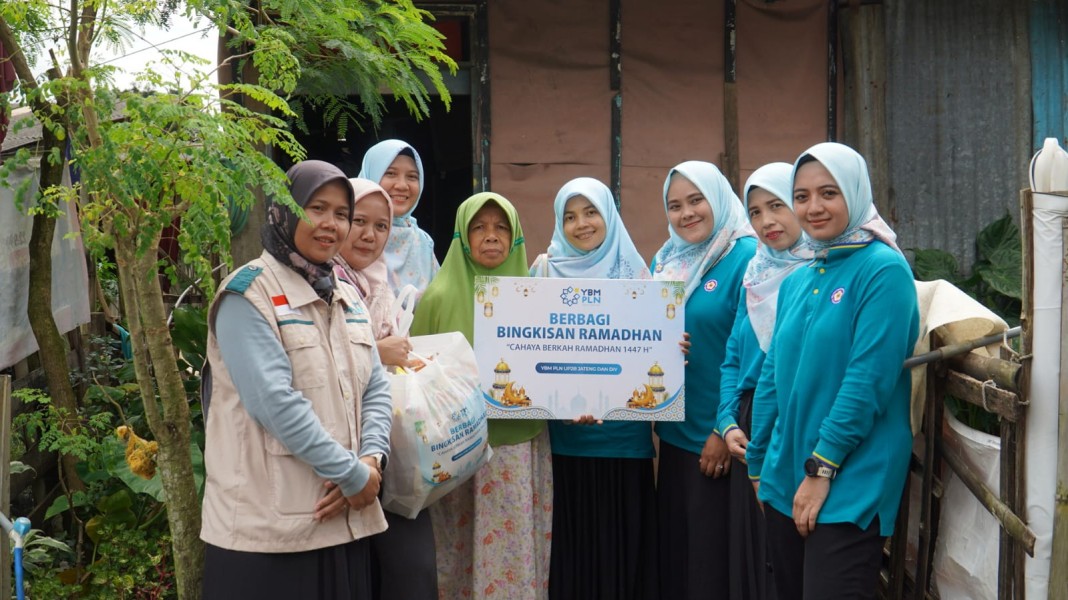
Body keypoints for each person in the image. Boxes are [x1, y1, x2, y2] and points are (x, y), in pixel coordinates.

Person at [200, 160, 392, 598]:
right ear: (284, 211)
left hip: (341, 524)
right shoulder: (248, 295)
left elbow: (376, 387)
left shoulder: (346, 295)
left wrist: (371, 460)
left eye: (341, 214)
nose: (331, 224)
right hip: (266, 536)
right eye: (316, 208)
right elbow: (273, 402)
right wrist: (350, 474)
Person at [746, 142, 918, 599]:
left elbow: (867, 381)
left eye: (829, 193)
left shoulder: (882, 270)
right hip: (783, 477)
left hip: (850, 477)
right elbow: (772, 376)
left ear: (854, 192)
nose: (814, 207)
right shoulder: (801, 277)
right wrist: (759, 464)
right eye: (801, 196)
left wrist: (821, 469)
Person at [411, 192, 551, 599]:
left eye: (501, 227)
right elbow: (413, 373)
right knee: (457, 550)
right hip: (454, 449)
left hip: (515, 445)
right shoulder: (438, 297)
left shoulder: (535, 297)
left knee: (512, 551)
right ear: (462, 236)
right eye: (479, 227)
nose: (491, 236)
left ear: (516, 237)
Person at [530, 178, 657, 599]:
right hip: (564, 443)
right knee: (574, 555)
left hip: (623, 443)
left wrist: (675, 348)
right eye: (570, 216)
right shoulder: (543, 271)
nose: (581, 224)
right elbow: (526, 350)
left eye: (591, 213)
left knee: (621, 553)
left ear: (609, 216)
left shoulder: (638, 275)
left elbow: (653, 351)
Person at [651, 161, 756, 600]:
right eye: (675, 205)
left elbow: (750, 353)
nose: (686, 213)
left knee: (712, 564)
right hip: (675, 433)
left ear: (718, 198)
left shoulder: (746, 257)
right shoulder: (667, 259)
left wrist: (721, 428)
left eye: (696, 200)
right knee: (680, 556)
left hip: (718, 438)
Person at [332, 178, 437, 600]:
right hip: (340, 454)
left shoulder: (379, 285)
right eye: (358, 221)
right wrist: (379, 352)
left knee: (410, 571)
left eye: (381, 226)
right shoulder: (321, 283)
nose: (369, 235)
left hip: (389, 451)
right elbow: (317, 365)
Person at [717, 162, 810, 600]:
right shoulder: (755, 274)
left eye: (777, 205)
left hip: (803, 417)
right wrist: (726, 421)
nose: (766, 220)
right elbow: (733, 359)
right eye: (755, 211)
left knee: (798, 547)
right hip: (753, 424)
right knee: (757, 547)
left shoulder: (824, 270)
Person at [359, 139, 439, 295]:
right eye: (390, 173)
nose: (402, 185)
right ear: (371, 174)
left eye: (412, 176)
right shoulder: (349, 234)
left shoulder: (422, 242)